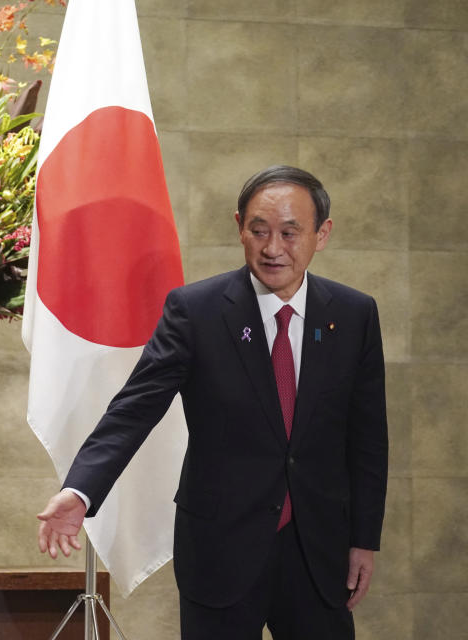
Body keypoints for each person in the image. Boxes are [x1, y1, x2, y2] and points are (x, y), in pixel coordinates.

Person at [37, 166, 388, 639]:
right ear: (239, 225)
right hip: (221, 547)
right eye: (258, 231)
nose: (272, 248)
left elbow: (367, 439)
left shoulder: (354, 314)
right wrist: (81, 490)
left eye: (289, 232)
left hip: (317, 549)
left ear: (321, 234)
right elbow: (135, 408)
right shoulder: (195, 311)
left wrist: (364, 539)